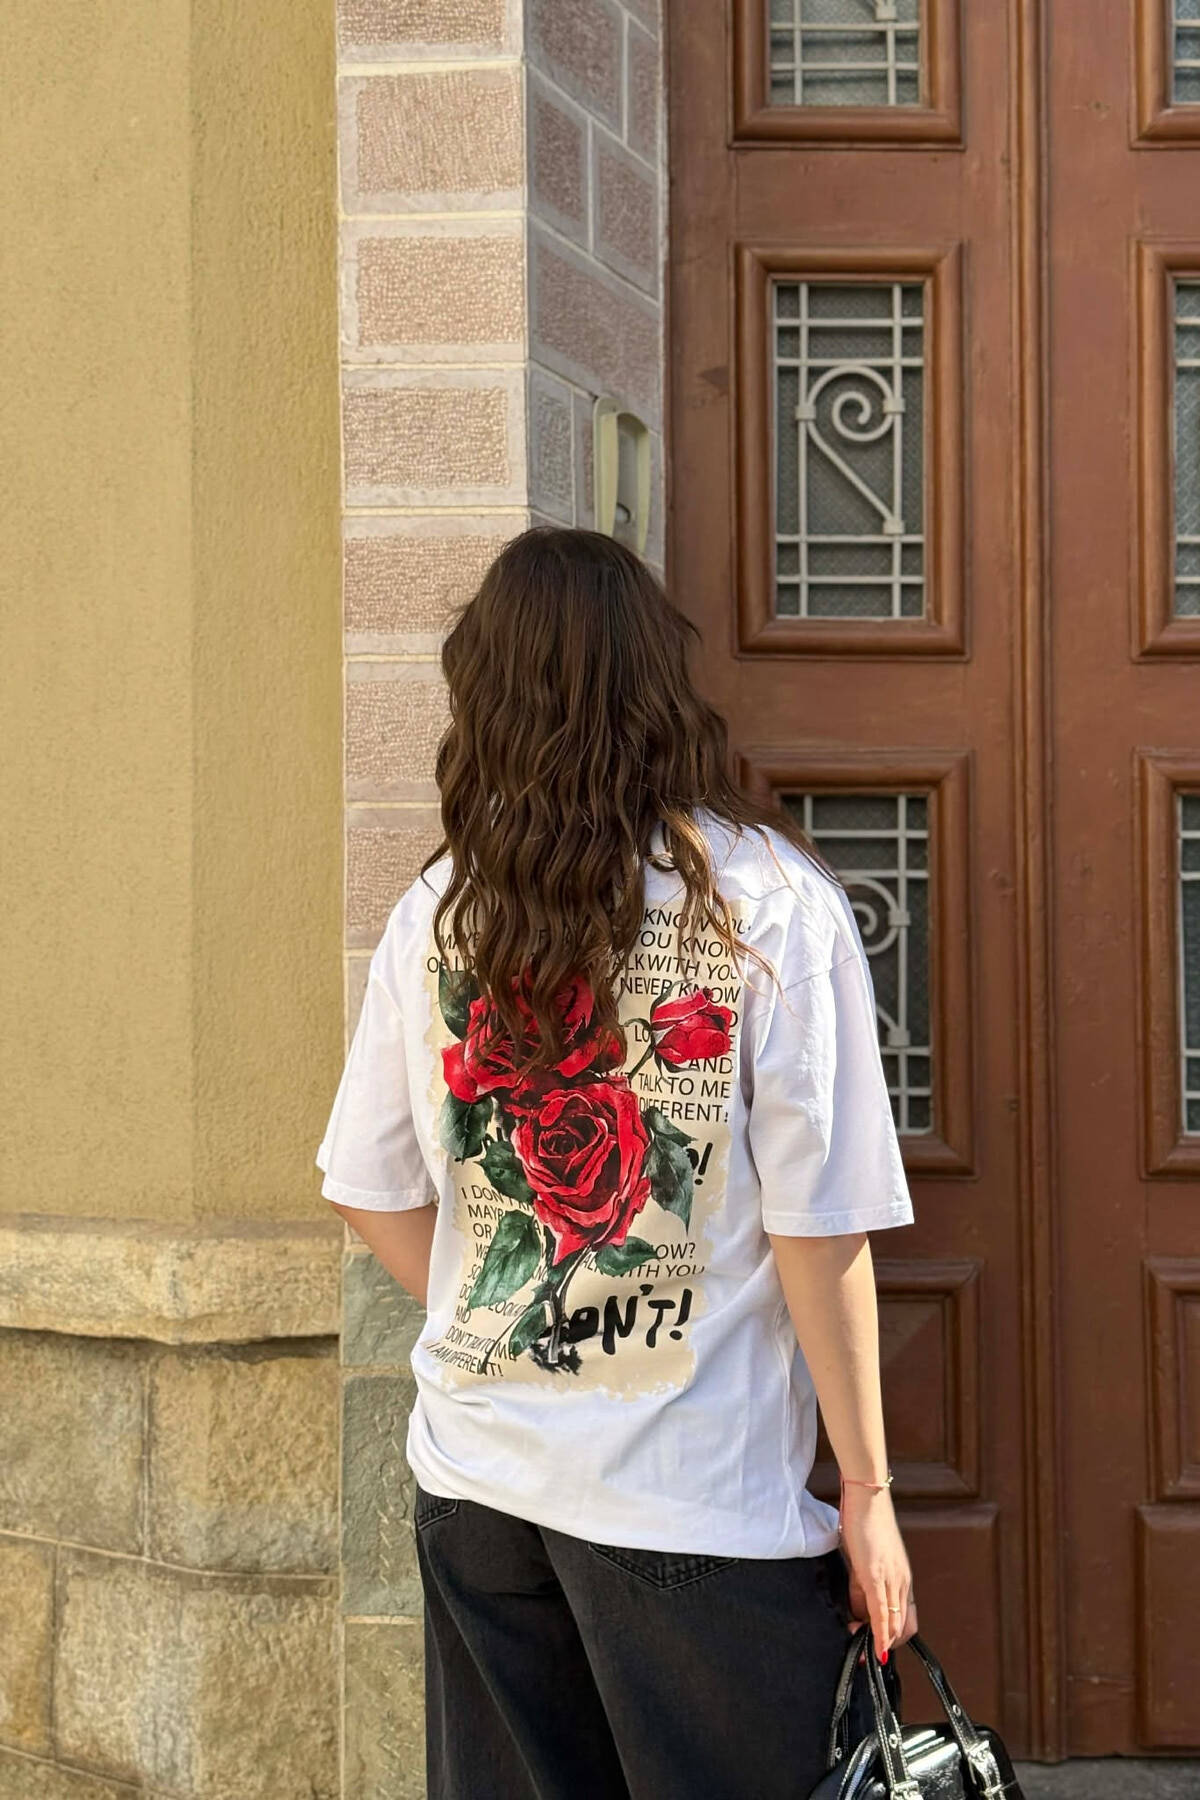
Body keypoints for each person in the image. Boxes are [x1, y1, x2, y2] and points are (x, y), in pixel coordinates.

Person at [315, 525, 918, 1800]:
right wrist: (867, 1489)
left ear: (482, 695)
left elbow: (369, 1190)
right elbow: (819, 1226)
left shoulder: (440, 911)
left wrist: (520, 1319)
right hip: (692, 1501)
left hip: (480, 1483)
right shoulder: (767, 904)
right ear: (658, 683)